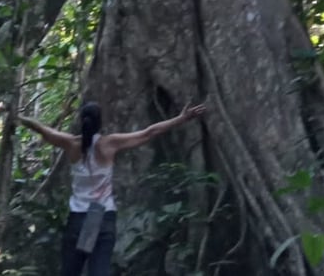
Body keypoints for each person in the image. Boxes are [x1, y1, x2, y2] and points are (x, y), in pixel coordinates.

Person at [18, 100, 205, 276]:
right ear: (100, 122)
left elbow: (41, 128)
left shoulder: (71, 143)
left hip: (79, 218)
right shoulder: (110, 143)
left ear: (81, 121)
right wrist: (182, 118)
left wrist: (17, 117)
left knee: (71, 271)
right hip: (102, 216)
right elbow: (149, 132)